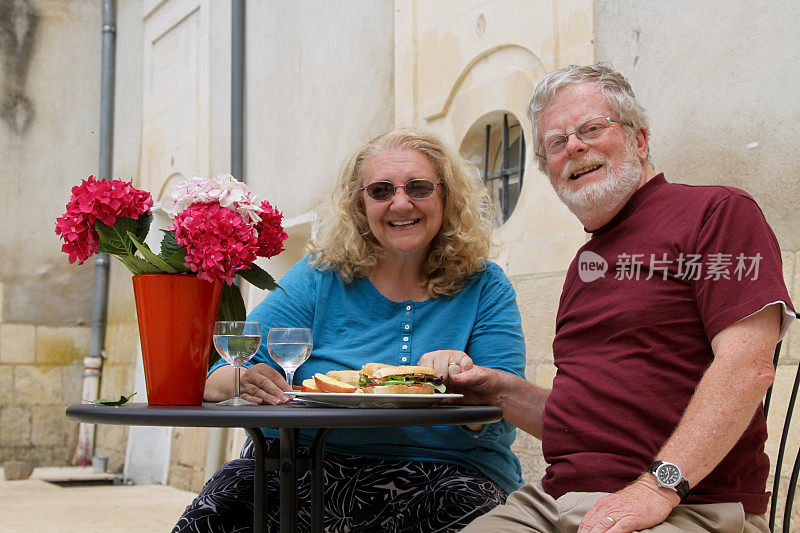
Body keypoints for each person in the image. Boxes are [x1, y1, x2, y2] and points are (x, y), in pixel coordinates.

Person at [454, 64, 795, 533]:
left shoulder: (716, 212)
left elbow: (747, 366)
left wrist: (659, 487)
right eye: (556, 142)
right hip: (555, 502)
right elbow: (585, 419)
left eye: (592, 129)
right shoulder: (586, 263)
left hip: (685, 505)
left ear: (639, 140)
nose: (573, 146)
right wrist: (497, 389)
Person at [174, 128, 527, 532]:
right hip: (298, 464)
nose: (400, 202)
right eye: (380, 190)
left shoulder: (485, 285)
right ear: (360, 205)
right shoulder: (319, 277)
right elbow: (211, 371)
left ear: (446, 196)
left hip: (446, 471)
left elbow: (505, 409)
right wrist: (239, 379)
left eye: (419, 187)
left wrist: (467, 380)